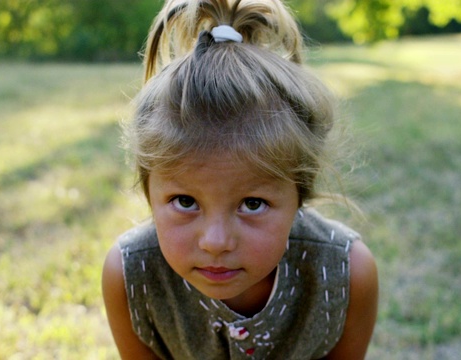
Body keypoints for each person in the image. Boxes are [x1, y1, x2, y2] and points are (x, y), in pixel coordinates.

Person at [102, 0, 378, 358]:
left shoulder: (347, 276)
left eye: (252, 204)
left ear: (300, 194)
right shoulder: (130, 276)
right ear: (149, 193)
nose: (216, 242)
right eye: (185, 202)